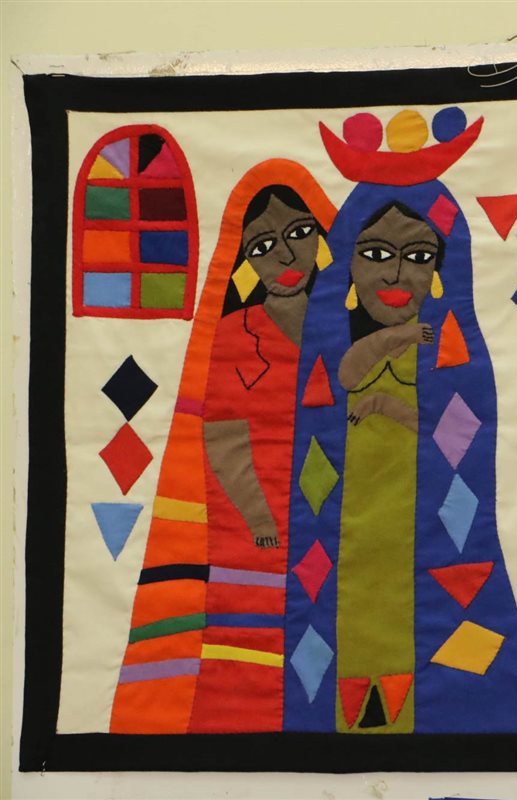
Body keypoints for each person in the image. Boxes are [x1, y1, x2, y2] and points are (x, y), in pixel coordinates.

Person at [285, 110, 517, 733]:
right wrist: (389, 353)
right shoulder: (336, 356)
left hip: (420, 540)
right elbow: (346, 380)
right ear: (348, 266)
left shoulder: (454, 360)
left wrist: (392, 405)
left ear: (441, 270)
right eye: (375, 253)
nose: (395, 272)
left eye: (418, 255)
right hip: (348, 542)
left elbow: (453, 437)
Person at [110, 161, 335, 734]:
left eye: (300, 232)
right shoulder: (240, 333)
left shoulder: (349, 325)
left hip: (341, 522)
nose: (286, 255)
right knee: (251, 656)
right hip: (258, 530)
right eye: (262, 246)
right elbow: (224, 437)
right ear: (244, 260)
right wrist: (259, 518)